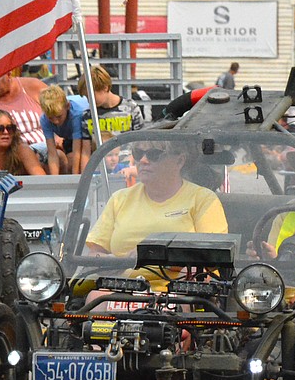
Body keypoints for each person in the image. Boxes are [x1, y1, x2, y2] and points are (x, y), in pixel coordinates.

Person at [85, 140, 228, 260]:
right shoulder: (119, 199)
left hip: (178, 289)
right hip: (121, 286)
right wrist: (120, 262)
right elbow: (94, 253)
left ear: (179, 161)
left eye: (154, 154)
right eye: (138, 153)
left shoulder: (203, 200)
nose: (143, 160)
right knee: (93, 295)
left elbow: (213, 258)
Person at [77, 63, 145, 142]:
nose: (89, 101)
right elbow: (86, 150)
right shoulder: (88, 115)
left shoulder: (131, 108)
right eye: (87, 97)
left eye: (91, 96)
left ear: (105, 87)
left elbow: (141, 142)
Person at [39, 86, 92, 175]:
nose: (56, 121)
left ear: (67, 106)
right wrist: (54, 180)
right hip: (68, 136)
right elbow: (52, 153)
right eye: (51, 118)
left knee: (73, 164)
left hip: (86, 136)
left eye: (59, 116)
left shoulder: (76, 114)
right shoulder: (44, 119)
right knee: (61, 166)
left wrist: (75, 178)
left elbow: (77, 150)